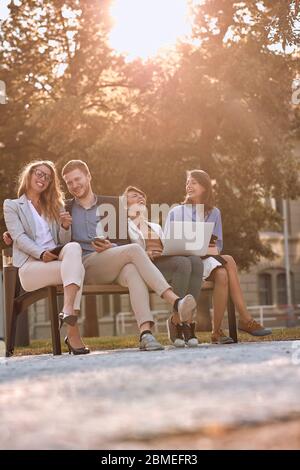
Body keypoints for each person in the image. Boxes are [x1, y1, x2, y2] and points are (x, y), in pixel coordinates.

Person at [60, 160, 197, 351]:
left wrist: (111, 245)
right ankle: (175, 301)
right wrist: (65, 226)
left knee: (132, 270)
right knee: (134, 250)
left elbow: (123, 241)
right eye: (69, 182)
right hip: (84, 266)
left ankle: (146, 334)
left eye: (77, 179)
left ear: (88, 176)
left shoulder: (111, 204)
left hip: (110, 260)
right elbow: (60, 244)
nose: (74, 185)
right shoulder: (65, 208)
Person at [164, 169, 272, 343]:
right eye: (188, 182)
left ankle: (217, 332)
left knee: (224, 269)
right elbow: (168, 245)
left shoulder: (214, 213)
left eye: (194, 182)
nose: (189, 186)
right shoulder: (176, 212)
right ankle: (245, 320)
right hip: (186, 262)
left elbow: (218, 245)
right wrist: (198, 246)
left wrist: (204, 247)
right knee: (227, 263)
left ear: (205, 187)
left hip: (206, 259)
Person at [3, 160, 89, 355]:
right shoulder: (12, 206)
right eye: (39, 174)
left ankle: (67, 311)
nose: (43, 179)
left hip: (57, 259)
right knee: (78, 270)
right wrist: (41, 253)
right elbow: (19, 237)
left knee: (74, 247)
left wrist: (65, 226)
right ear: (30, 174)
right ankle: (72, 332)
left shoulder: (54, 205)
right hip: (31, 267)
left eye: (48, 177)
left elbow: (62, 240)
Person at [122, 185, 204, 348]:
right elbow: (127, 252)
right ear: (125, 204)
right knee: (183, 263)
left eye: (141, 195)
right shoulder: (123, 226)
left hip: (164, 261)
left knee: (195, 261)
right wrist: (148, 254)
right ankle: (178, 321)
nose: (139, 197)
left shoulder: (155, 226)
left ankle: (185, 321)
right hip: (146, 268)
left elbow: (168, 247)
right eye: (133, 195)